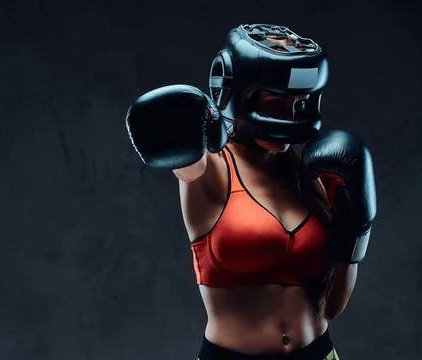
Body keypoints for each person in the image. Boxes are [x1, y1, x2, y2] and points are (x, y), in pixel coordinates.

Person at [125, 24, 377, 360]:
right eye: (276, 105)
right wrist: (190, 120)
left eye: (299, 105)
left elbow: (331, 308)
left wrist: (354, 229)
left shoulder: (312, 176)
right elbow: (158, 132)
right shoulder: (209, 169)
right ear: (237, 93)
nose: (289, 117)